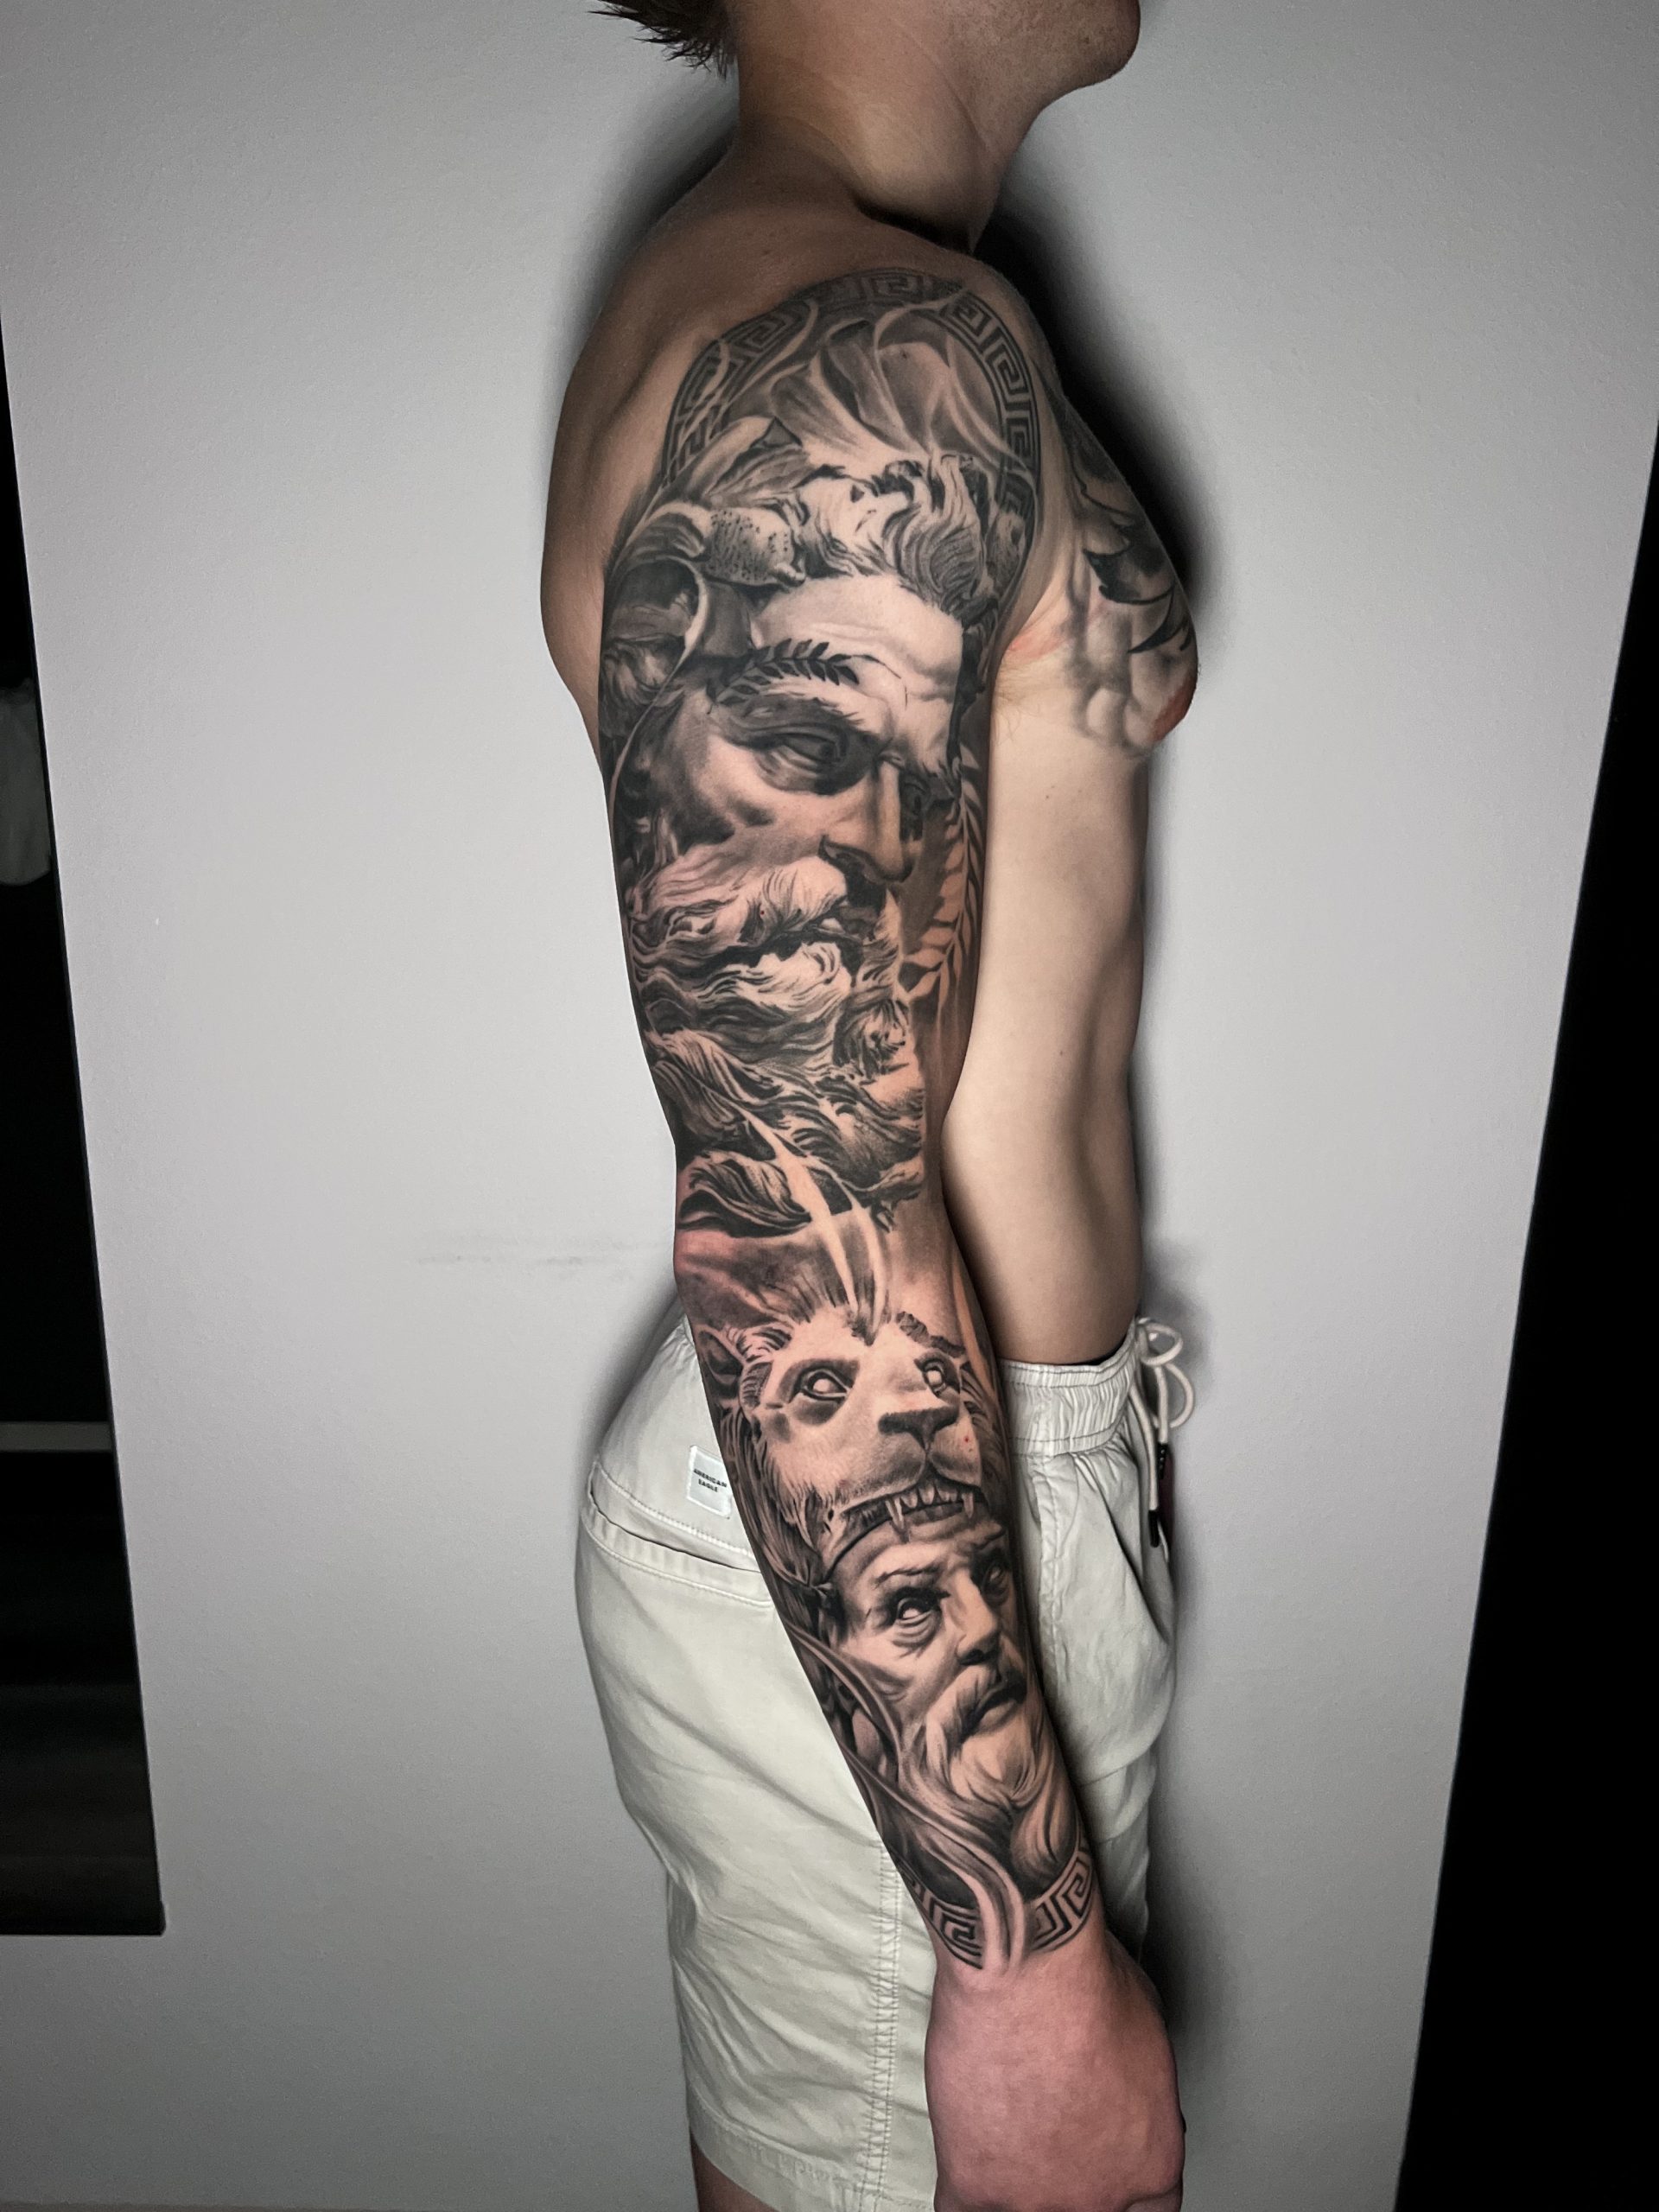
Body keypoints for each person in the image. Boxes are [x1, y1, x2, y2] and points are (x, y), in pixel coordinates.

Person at [541, 4, 1198, 2206]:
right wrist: (1027, 1960)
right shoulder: (858, 355)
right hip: (892, 1533)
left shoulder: (812, 292)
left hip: (926, 1498)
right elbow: (789, 1190)